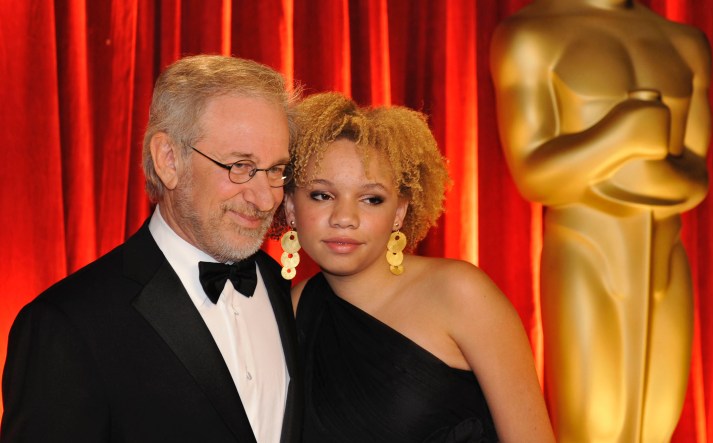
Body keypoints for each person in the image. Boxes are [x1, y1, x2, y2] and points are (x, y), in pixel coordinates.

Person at [1, 55, 302, 442]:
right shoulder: (67, 325)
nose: (264, 199)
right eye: (240, 166)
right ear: (169, 160)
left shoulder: (285, 289)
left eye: (276, 169)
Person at [490, 1, 711, 441]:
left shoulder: (686, 44)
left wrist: (630, 165)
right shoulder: (530, 36)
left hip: (667, 253)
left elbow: (697, 176)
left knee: (655, 426)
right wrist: (620, 137)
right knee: (592, 426)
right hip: (585, 249)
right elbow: (533, 175)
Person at [277, 92, 554, 442]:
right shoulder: (288, 312)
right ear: (289, 207)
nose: (344, 218)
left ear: (399, 213)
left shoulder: (461, 293)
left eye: (371, 199)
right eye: (322, 195)